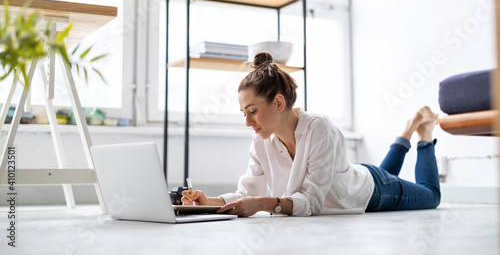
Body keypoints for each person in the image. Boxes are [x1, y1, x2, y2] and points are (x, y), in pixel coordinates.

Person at [181, 52, 441, 216]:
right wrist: (210, 201)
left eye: (252, 111)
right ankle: (407, 128)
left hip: (369, 192)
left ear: (279, 103)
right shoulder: (261, 139)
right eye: (243, 113)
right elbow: (247, 192)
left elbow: (313, 202)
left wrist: (264, 204)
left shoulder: (319, 127)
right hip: (346, 176)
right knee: (389, 175)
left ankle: (424, 132)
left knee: (430, 196)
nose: (247, 121)